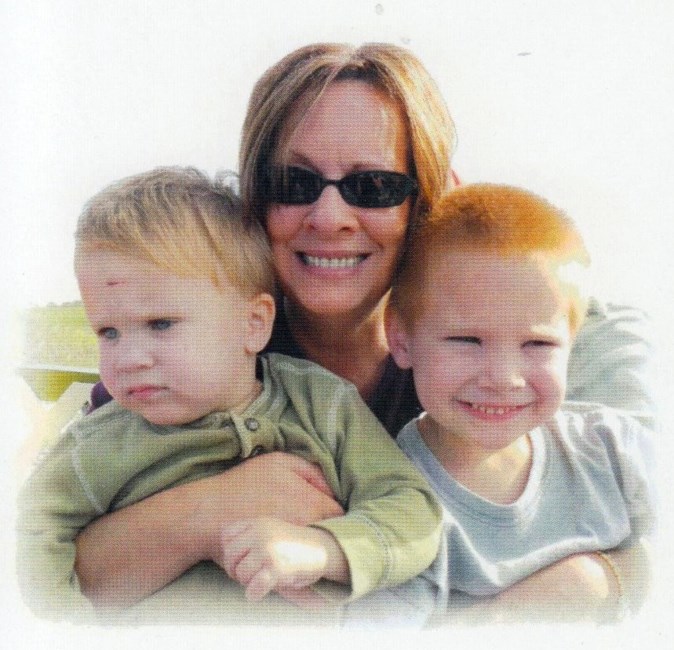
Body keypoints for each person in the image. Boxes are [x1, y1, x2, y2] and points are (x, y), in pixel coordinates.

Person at [71, 43, 656, 619]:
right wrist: (211, 509)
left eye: (373, 187)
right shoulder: (183, 357)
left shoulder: (552, 344)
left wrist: (593, 582)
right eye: (293, 183)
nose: (329, 218)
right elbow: (60, 573)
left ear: (433, 198)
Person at [16, 167, 442, 623]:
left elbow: (411, 509)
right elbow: (28, 545)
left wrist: (323, 549)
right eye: (109, 332)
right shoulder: (95, 445)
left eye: (161, 324)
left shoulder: (321, 404)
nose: (128, 359)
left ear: (253, 323)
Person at [383, 184, 656, 624]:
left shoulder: (613, 449)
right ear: (401, 339)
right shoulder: (391, 501)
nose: (503, 378)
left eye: (537, 343)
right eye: (467, 340)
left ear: (572, 341)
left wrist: (602, 582)